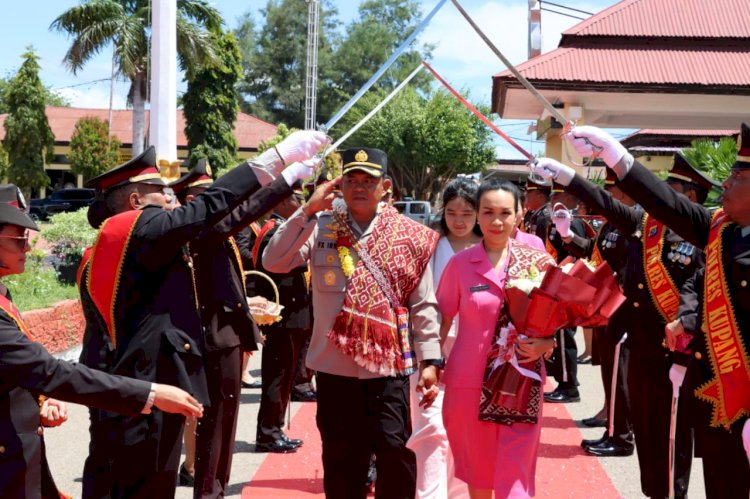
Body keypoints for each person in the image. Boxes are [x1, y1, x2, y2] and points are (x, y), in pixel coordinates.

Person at [77, 131, 327, 498]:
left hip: (130, 387)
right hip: (141, 389)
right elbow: (209, 208)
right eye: (160, 192)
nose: (169, 198)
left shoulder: (124, 240)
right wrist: (275, 157)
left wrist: (287, 177)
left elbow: (225, 215)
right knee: (140, 481)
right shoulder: (141, 233)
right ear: (134, 201)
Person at [563, 123, 750, 498]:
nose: (725, 185)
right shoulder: (722, 230)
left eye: (737, 176)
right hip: (720, 396)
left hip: (742, 389)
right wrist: (614, 156)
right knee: (722, 485)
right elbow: (665, 202)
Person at [531, 149, 717, 497]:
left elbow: (704, 289)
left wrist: (687, 323)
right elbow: (607, 204)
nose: (657, 196)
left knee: (671, 436)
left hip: (676, 354)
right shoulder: (646, 226)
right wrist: (570, 179)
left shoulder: (702, 234)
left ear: (690, 197)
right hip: (642, 345)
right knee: (647, 432)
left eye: (670, 189)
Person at [0, 184, 203, 498]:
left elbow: (19, 368)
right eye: (18, 238)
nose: (27, 247)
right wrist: (149, 393)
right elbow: (47, 370)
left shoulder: (3, 291)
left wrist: (40, 396)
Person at [263, 147, 443, 499]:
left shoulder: (409, 235)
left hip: (388, 367)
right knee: (343, 460)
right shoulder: (321, 226)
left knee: (395, 452)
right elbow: (275, 261)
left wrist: (431, 360)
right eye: (351, 180)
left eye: (369, 180)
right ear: (340, 185)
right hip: (335, 368)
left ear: (385, 186)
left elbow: (422, 302)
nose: (359, 187)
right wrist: (307, 210)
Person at [171, 157, 304, 497]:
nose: (222, 201)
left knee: (221, 426)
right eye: (211, 195)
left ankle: (212, 487)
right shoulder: (204, 227)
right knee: (212, 426)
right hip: (209, 337)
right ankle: (207, 490)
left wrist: (248, 304)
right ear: (192, 201)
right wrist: (286, 179)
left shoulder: (214, 228)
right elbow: (249, 208)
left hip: (223, 333)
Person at [436, 178, 556, 498]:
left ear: (520, 214)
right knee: (478, 469)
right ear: (478, 216)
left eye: (505, 212)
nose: (497, 221)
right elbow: (442, 319)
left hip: (521, 381)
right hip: (467, 383)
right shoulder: (460, 265)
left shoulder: (536, 259)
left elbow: (558, 314)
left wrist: (549, 343)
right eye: (488, 212)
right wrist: (428, 364)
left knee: (516, 474)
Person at [554, 168, 635, 455]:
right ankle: (610, 420)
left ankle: (621, 436)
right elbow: (594, 252)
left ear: (624, 193)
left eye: (612, 192)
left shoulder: (633, 223)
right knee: (610, 372)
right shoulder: (611, 224)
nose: (609, 197)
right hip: (606, 305)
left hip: (622, 306)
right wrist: (567, 236)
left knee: (619, 373)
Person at [407, 177, 479, 499]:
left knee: (466, 433)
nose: (459, 221)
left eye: (467, 213)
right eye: (452, 213)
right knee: (431, 428)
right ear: (442, 212)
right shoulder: (428, 246)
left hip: (475, 350)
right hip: (430, 347)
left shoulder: (490, 247)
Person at [244, 184, 312, 453]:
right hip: (283, 316)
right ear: (283, 202)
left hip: (290, 315)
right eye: (297, 199)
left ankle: (274, 429)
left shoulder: (280, 227)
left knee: (283, 377)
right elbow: (276, 269)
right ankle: (268, 433)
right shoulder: (275, 230)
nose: (300, 204)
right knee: (277, 376)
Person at [543, 183, 589, 403]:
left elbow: (578, 256)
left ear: (570, 198)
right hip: (556, 283)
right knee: (559, 336)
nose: (553, 201)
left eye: (558, 196)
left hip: (567, 284)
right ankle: (564, 381)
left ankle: (569, 386)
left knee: (564, 336)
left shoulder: (575, 224)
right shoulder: (558, 220)